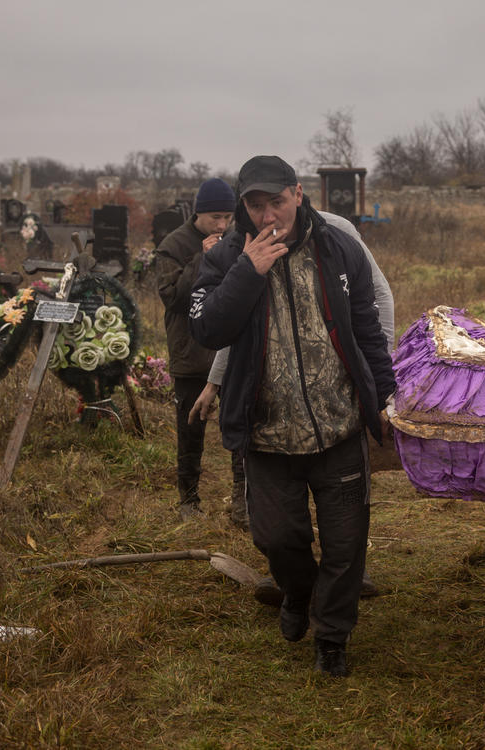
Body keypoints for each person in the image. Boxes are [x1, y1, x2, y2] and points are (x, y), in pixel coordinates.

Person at [189, 155, 395, 677]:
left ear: (298, 194)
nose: (266, 215)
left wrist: (386, 396)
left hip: (339, 426)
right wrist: (248, 273)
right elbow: (208, 329)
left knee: (347, 544)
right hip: (268, 434)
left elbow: (367, 328)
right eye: (255, 205)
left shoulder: (338, 246)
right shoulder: (227, 257)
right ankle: (297, 592)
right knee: (278, 540)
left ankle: (332, 638)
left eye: (276, 201)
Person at [155, 178, 241, 523]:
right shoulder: (173, 244)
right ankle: (188, 501)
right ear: (198, 214)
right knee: (190, 431)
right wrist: (201, 259)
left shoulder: (237, 240)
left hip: (232, 351)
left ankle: (242, 500)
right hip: (191, 353)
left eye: (228, 217)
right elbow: (172, 297)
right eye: (215, 218)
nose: (222, 225)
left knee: (239, 427)